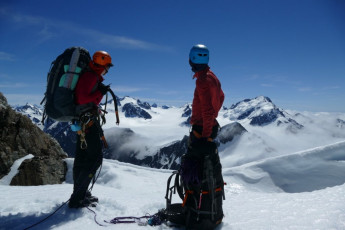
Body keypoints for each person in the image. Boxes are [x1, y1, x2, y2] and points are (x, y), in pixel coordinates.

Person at [181, 44, 225, 229]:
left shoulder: (202, 81)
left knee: (193, 174)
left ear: (192, 59)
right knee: (203, 173)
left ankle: (194, 214)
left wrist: (205, 138)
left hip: (201, 131)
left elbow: (206, 111)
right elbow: (221, 97)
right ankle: (206, 212)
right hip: (208, 128)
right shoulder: (212, 76)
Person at [68, 51, 113, 208]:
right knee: (95, 158)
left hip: (82, 123)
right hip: (87, 123)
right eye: (107, 67)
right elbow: (83, 98)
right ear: (102, 65)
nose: (107, 70)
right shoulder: (90, 76)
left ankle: (79, 194)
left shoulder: (90, 76)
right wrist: (100, 91)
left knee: (82, 158)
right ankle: (78, 197)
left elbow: (87, 99)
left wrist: (98, 92)